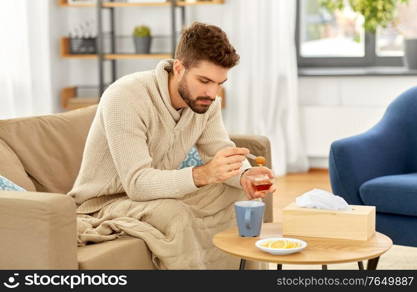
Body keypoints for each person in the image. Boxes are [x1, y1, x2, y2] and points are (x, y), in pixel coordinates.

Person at [68, 22, 276, 269]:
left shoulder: (206, 104)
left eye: (219, 83)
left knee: (240, 194)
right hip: (105, 202)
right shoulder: (124, 97)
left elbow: (220, 149)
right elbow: (136, 184)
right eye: (204, 80)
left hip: (158, 193)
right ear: (179, 67)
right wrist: (203, 174)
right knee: (174, 213)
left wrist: (245, 175)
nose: (212, 93)